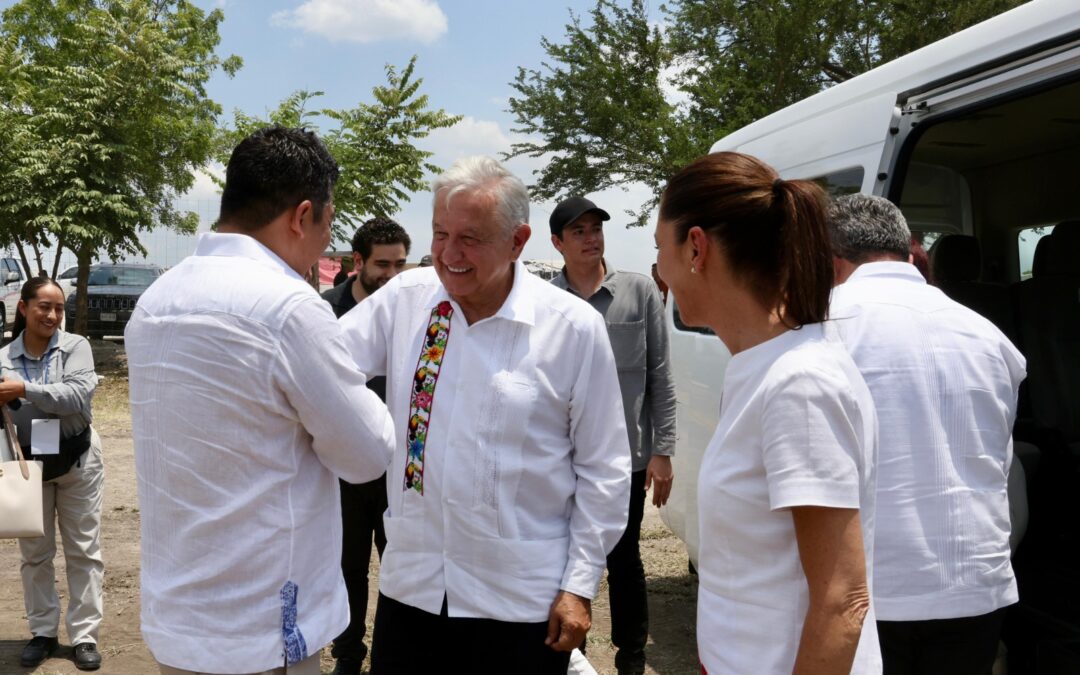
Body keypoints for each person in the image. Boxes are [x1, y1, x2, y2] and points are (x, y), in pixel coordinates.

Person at [339, 156, 632, 675]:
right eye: (439, 234)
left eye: (470, 238)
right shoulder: (408, 301)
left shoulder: (571, 328)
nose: (449, 254)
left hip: (519, 601)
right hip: (413, 590)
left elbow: (604, 468)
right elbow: (323, 365)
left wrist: (579, 585)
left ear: (518, 241)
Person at [125, 126, 397, 675]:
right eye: (328, 223)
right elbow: (367, 453)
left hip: (178, 617)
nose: (326, 244)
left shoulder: (156, 301)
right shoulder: (289, 308)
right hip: (263, 626)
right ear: (302, 216)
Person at [654, 152, 881, 674]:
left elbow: (843, 602)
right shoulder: (762, 366)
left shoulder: (798, 383)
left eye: (658, 247)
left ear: (695, 247)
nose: (659, 271)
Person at [827, 194, 1024, 675]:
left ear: (829, 257)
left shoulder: (821, 324)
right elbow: (997, 456)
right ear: (908, 249)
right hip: (977, 584)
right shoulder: (987, 334)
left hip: (874, 593)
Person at [549, 196, 676, 675]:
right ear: (557, 243)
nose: (590, 237)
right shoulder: (548, 299)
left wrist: (663, 450)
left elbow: (660, 375)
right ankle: (565, 651)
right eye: (577, 231)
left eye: (595, 228)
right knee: (560, 555)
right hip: (562, 457)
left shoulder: (639, 291)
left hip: (626, 459)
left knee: (624, 559)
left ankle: (631, 658)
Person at [320, 217, 411, 675]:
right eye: (383, 265)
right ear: (357, 263)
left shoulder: (417, 315)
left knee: (400, 565)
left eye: (401, 264)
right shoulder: (323, 311)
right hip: (342, 468)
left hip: (401, 468)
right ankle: (349, 654)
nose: (393, 276)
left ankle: (394, 655)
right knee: (347, 565)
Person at [0, 276, 103, 671]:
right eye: (44, 306)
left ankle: (85, 635)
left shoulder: (77, 347)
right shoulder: (4, 357)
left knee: (84, 550)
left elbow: (76, 395)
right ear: (23, 308)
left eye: (59, 307)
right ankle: (43, 632)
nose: (53, 315)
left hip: (78, 461)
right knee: (35, 555)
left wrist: (22, 389)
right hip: (28, 468)